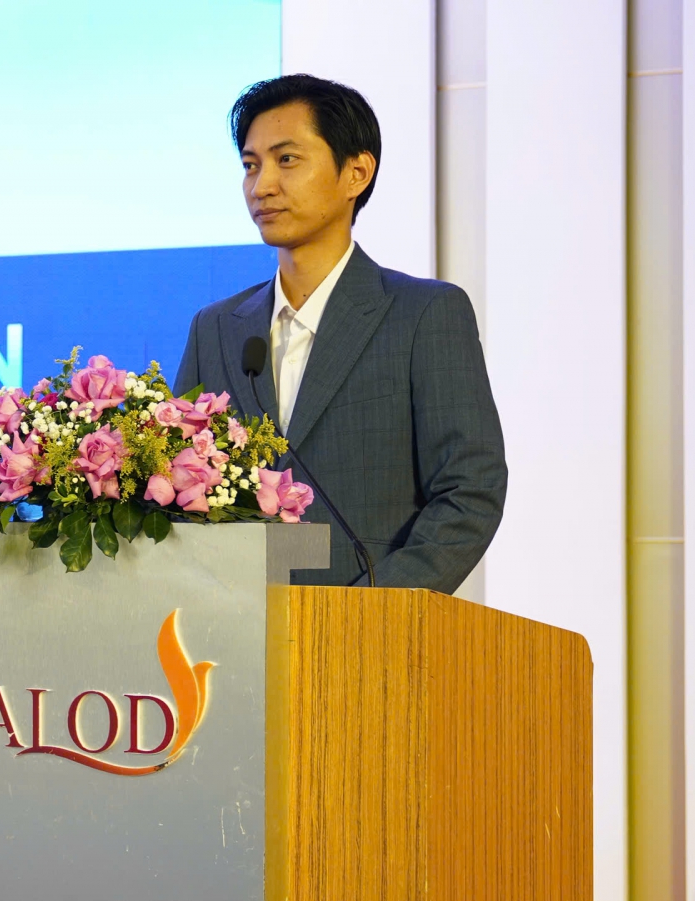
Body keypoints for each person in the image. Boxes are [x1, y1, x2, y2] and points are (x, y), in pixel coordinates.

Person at [173, 74, 506, 593]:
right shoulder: (215, 328)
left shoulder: (424, 314)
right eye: (250, 165)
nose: (261, 186)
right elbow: (180, 488)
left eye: (287, 159)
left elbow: (470, 490)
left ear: (356, 173)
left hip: (369, 626)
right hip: (234, 629)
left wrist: (369, 611)